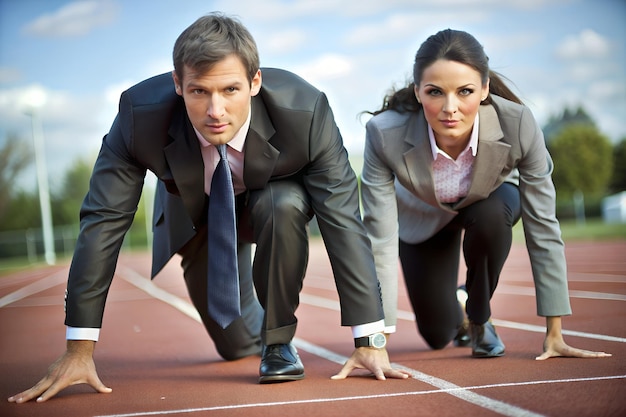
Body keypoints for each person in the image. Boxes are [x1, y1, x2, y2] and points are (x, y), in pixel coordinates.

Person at [9, 13, 410, 404]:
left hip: (269, 203)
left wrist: (370, 339)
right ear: (178, 85)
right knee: (234, 344)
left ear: (255, 82)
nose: (215, 111)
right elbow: (102, 224)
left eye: (230, 90)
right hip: (196, 216)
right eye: (200, 91)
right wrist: (79, 349)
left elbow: (343, 221)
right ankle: (256, 330)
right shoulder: (138, 117)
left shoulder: (305, 113)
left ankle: (279, 342)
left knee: (284, 202)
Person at [360, 28, 612, 360]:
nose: (450, 108)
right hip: (421, 218)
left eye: (464, 91)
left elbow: (544, 228)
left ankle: (480, 318)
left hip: (487, 204)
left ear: (484, 89)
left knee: (495, 213)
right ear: (418, 92)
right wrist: (374, 342)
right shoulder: (384, 133)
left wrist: (555, 332)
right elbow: (379, 240)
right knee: (438, 333)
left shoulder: (518, 123)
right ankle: (462, 307)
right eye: (435, 92)